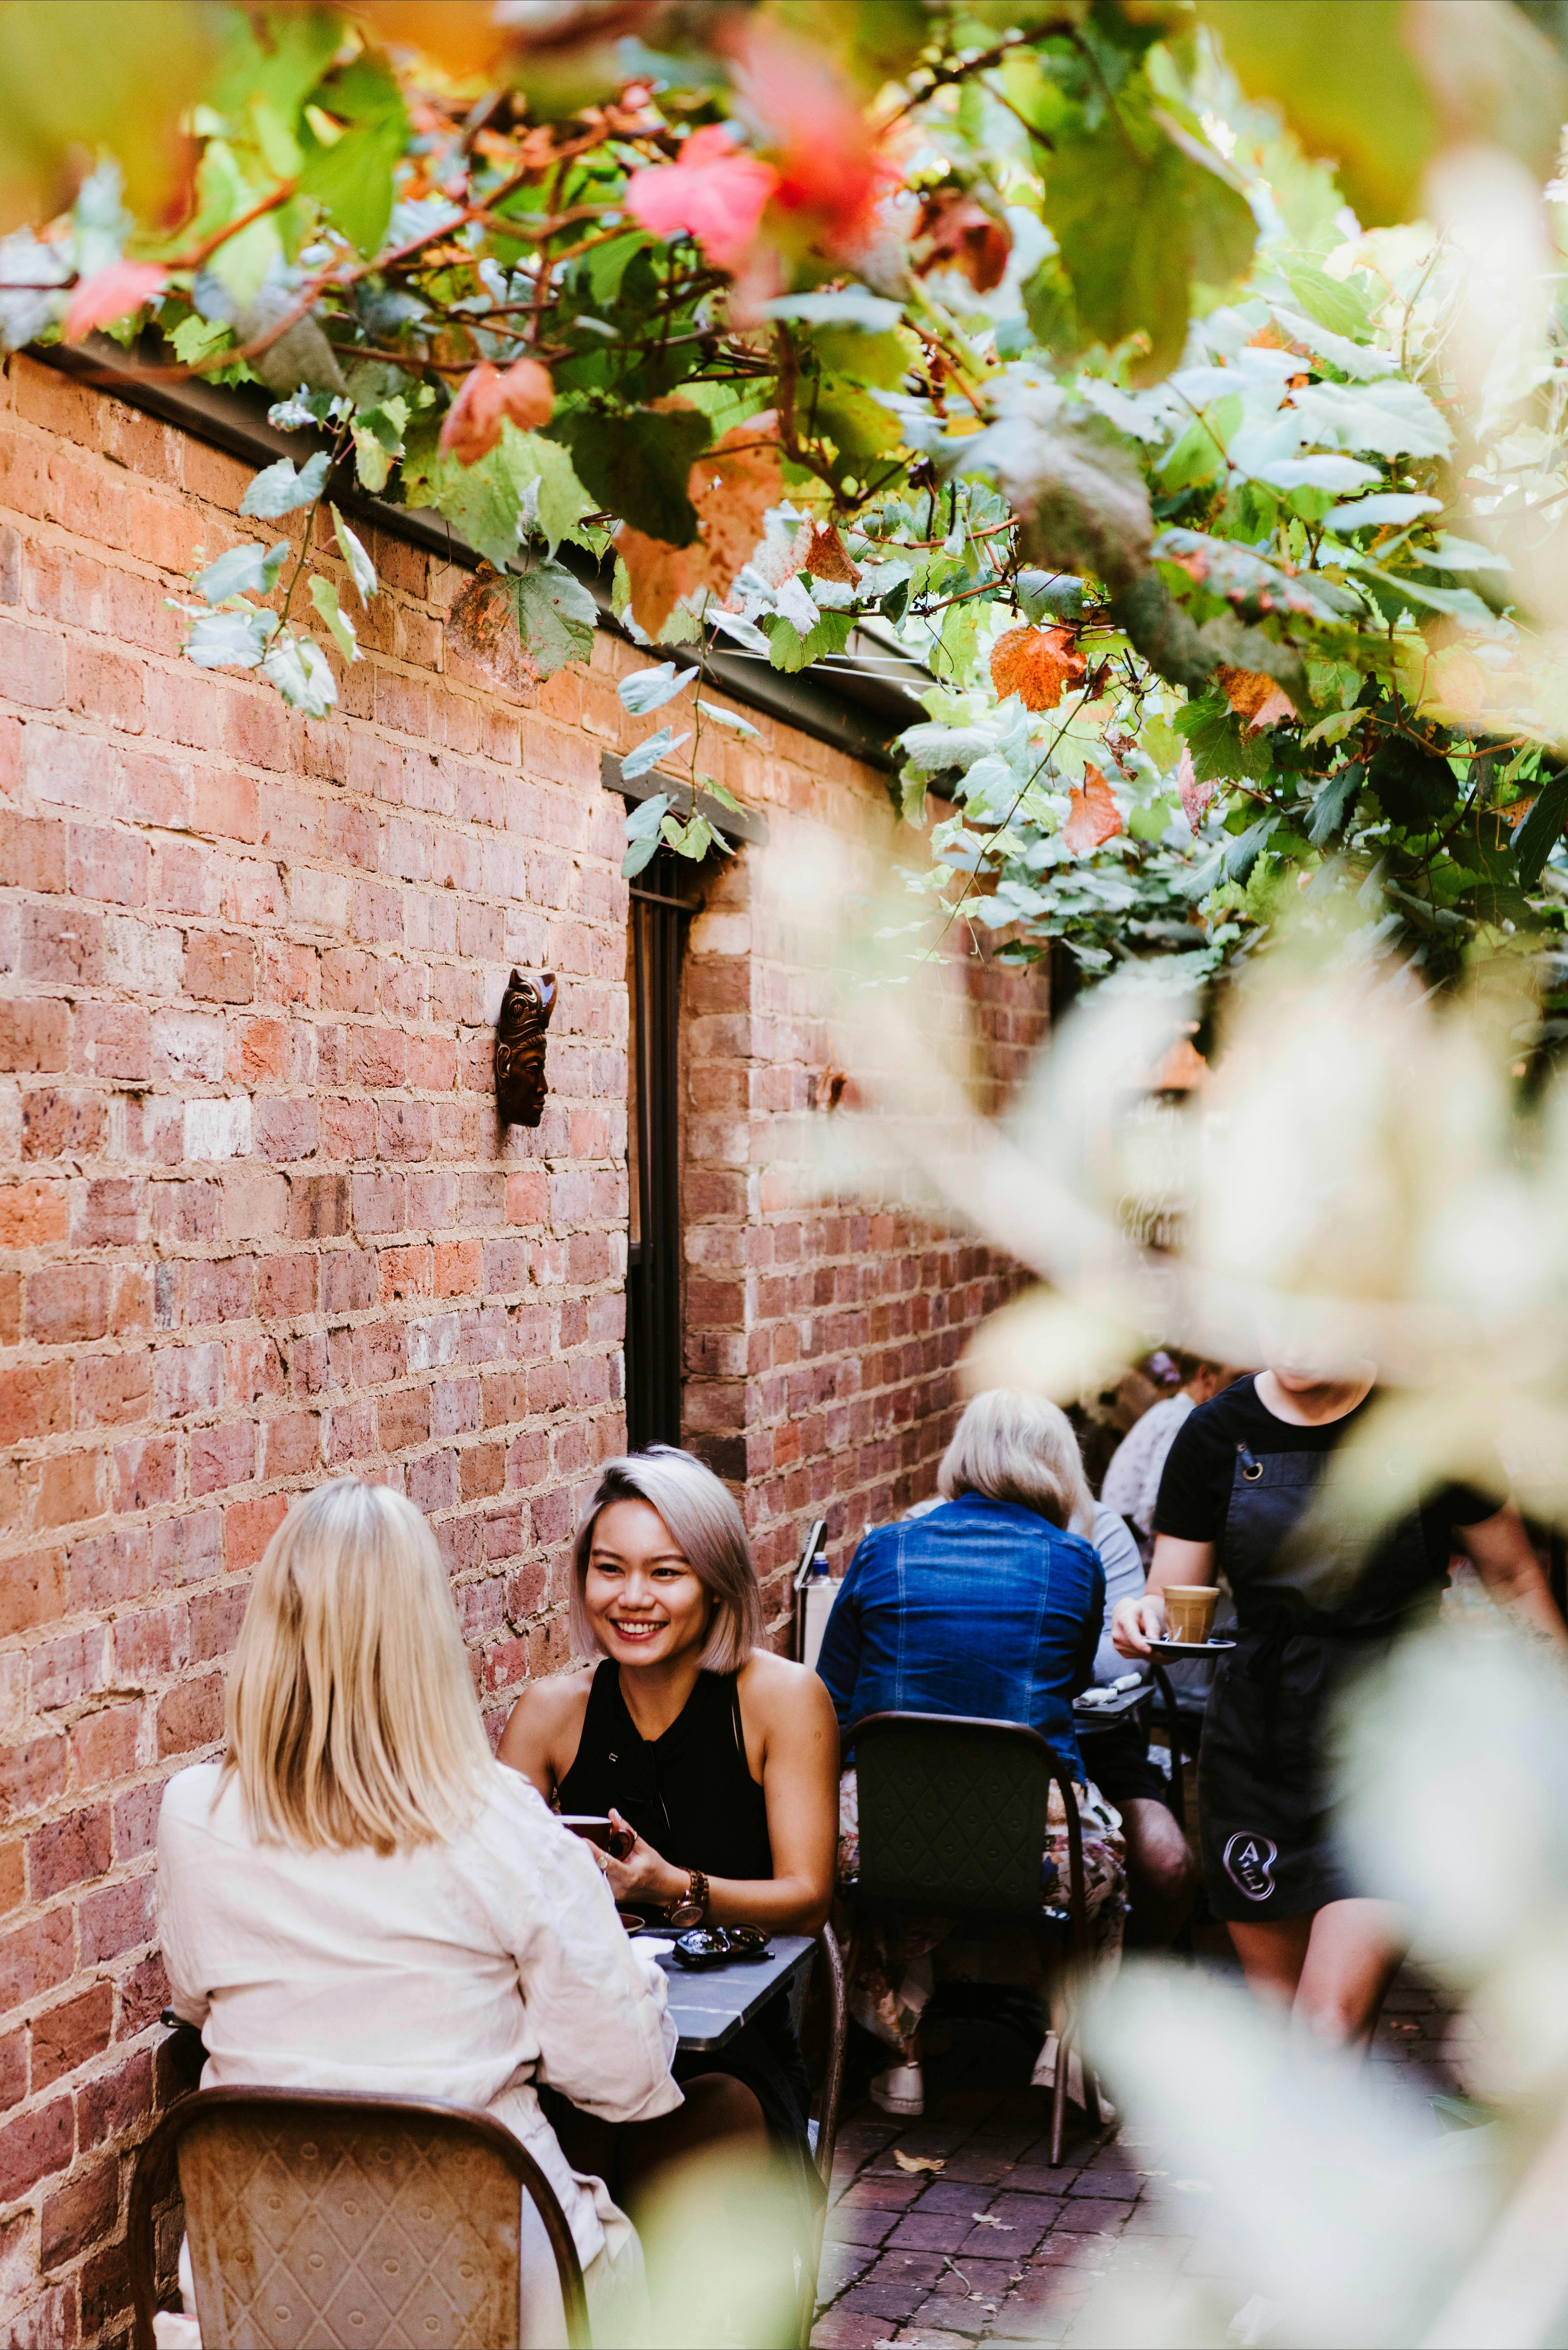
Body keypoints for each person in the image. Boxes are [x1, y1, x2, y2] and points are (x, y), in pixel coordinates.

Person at [157, 1478, 678, 2347]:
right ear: (426, 1637)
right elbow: (623, 2079)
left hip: (265, 2283)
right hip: (492, 2287)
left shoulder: (192, 1812)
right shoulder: (499, 1818)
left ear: (270, 1631)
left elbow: (198, 1999)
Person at [1113, 1346, 1568, 2046]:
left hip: (1392, 1748)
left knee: (1325, 2028)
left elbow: (1512, 1578)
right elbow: (1168, 1597)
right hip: (1258, 1750)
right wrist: (1141, 1620)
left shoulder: (1424, 1425)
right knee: (1288, 2046)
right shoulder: (1213, 1433)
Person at [499, 1444, 839, 2274]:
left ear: (715, 1582)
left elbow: (808, 1896)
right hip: (581, 2047)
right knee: (527, 2161)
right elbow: (486, 1885)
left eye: (667, 1572)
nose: (634, 1598)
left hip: (729, 2055)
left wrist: (673, 1887)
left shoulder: (778, 1699)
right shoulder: (551, 1713)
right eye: (610, 1569)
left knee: (669, 2163)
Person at [817, 1389, 1126, 2117]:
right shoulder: (1075, 1562)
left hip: (879, 1841)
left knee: (864, 1858)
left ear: (960, 1457)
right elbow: (1070, 1681)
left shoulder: (883, 1547)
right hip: (1026, 1847)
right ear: (1059, 1468)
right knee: (1106, 1865)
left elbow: (829, 1692)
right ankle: (1069, 2048)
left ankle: (900, 2052)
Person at [1101, 1351, 1233, 1561]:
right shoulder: (1184, 1420)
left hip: (1125, 1539)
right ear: (1206, 1376)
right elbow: (1155, 1501)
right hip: (1136, 1548)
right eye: (1235, 1379)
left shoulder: (1170, 1410)